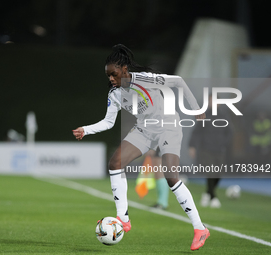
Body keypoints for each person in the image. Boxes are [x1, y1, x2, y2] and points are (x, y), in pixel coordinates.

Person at [72, 44, 209, 251]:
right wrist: (86, 129)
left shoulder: (144, 79)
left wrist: (196, 107)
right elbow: (108, 122)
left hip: (168, 128)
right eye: (108, 75)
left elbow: (178, 81)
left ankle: (200, 229)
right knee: (115, 163)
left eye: (114, 74)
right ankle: (123, 218)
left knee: (171, 177)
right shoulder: (115, 94)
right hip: (144, 131)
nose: (110, 78)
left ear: (124, 69)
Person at [189, 94, 233, 208]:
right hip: (206, 149)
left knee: (218, 174)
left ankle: (207, 193)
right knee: (211, 171)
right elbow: (196, 132)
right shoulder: (204, 115)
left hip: (220, 149)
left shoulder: (224, 115)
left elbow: (230, 132)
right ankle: (213, 197)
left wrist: (224, 143)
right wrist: (192, 146)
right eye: (210, 100)